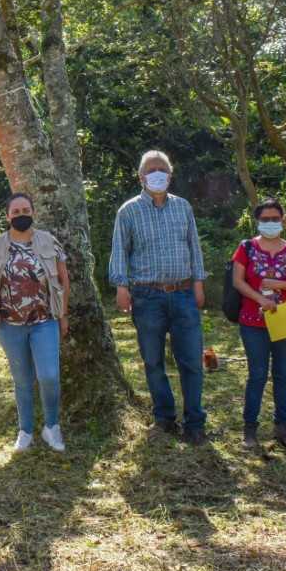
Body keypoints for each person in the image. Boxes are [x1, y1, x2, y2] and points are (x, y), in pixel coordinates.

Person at [108, 150, 209, 445]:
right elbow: (120, 250)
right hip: (146, 296)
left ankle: (195, 422)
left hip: (183, 293)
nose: (157, 174)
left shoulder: (183, 208)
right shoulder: (128, 211)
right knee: (153, 361)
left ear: (170, 174)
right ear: (141, 177)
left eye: (162, 169)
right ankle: (164, 417)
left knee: (191, 360)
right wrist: (121, 286)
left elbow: (194, 246)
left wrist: (199, 282)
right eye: (151, 170)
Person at [0, 193, 70, 453]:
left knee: (49, 376)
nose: (20, 215)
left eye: (25, 210)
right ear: (7, 216)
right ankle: (25, 431)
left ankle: (52, 427)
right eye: (15, 212)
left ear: (33, 211)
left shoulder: (49, 242)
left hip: (45, 321)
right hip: (9, 326)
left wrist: (63, 315)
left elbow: (63, 280)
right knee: (22, 379)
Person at [230, 197, 286, 451]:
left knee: (283, 375)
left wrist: (278, 285)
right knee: (257, 375)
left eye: (275, 219)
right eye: (265, 219)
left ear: (283, 220)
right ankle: (250, 430)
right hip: (253, 322)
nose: (270, 223)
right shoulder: (246, 248)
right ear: (257, 221)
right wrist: (259, 299)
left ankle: (283, 427)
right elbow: (238, 282)